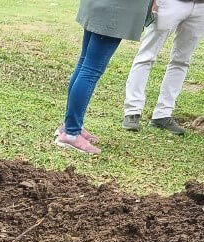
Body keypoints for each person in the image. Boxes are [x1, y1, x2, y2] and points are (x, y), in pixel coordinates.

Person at [57, 0, 158, 155]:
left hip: (102, 6)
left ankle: (70, 126)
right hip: (114, 11)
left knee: (85, 63)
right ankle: (71, 133)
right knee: (90, 70)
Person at [122, 0, 204, 134]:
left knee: (182, 61)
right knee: (146, 56)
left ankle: (163, 114)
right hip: (170, 3)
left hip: (200, 6)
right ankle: (132, 111)